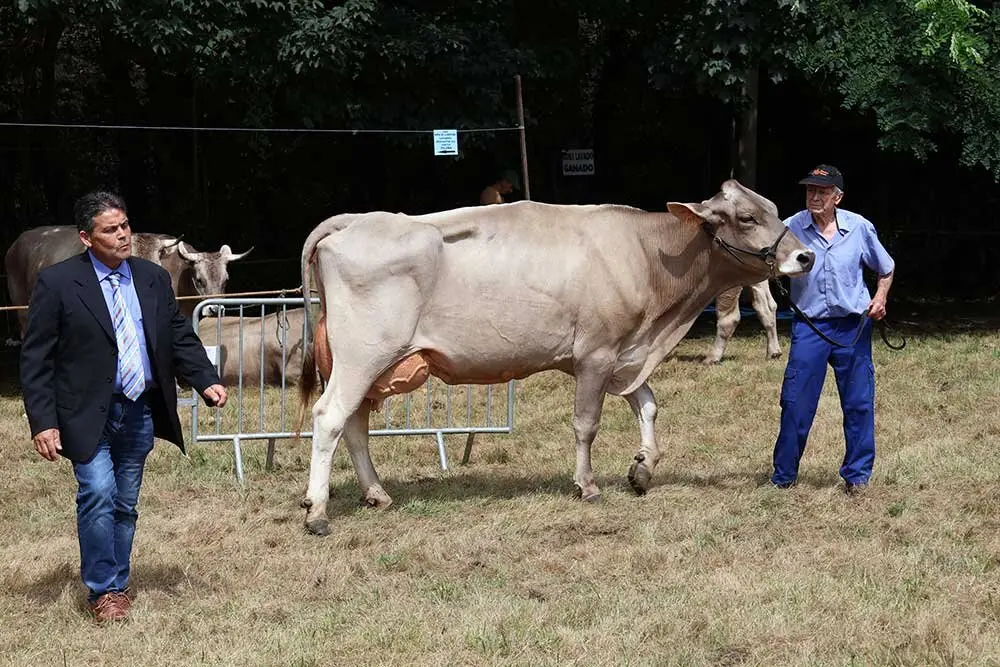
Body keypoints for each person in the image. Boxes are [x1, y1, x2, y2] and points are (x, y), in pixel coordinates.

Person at [20, 191, 228, 622]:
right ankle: (105, 591)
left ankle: (116, 579)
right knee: (97, 493)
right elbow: (36, 357)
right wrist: (42, 422)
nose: (122, 235)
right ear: (86, 237)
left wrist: (206, 379)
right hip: (84, 411)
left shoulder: (151, 278)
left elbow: (176, 334)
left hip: (139, 409)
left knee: (125, 503)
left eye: (125, 226)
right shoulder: (58, 283)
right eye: (110, 230)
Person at [771, 165, 895, 494]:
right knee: (796, 403)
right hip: (809, 327)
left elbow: (886, 267)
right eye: (810, 190)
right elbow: (769, 262)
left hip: (853, 327)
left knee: (858, 403)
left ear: (837, 197)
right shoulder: (790, 228)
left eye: (822, 192)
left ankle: (857, 477)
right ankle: (783, 477)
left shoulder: (859, 228)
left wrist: (880, 298)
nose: (814, 196)